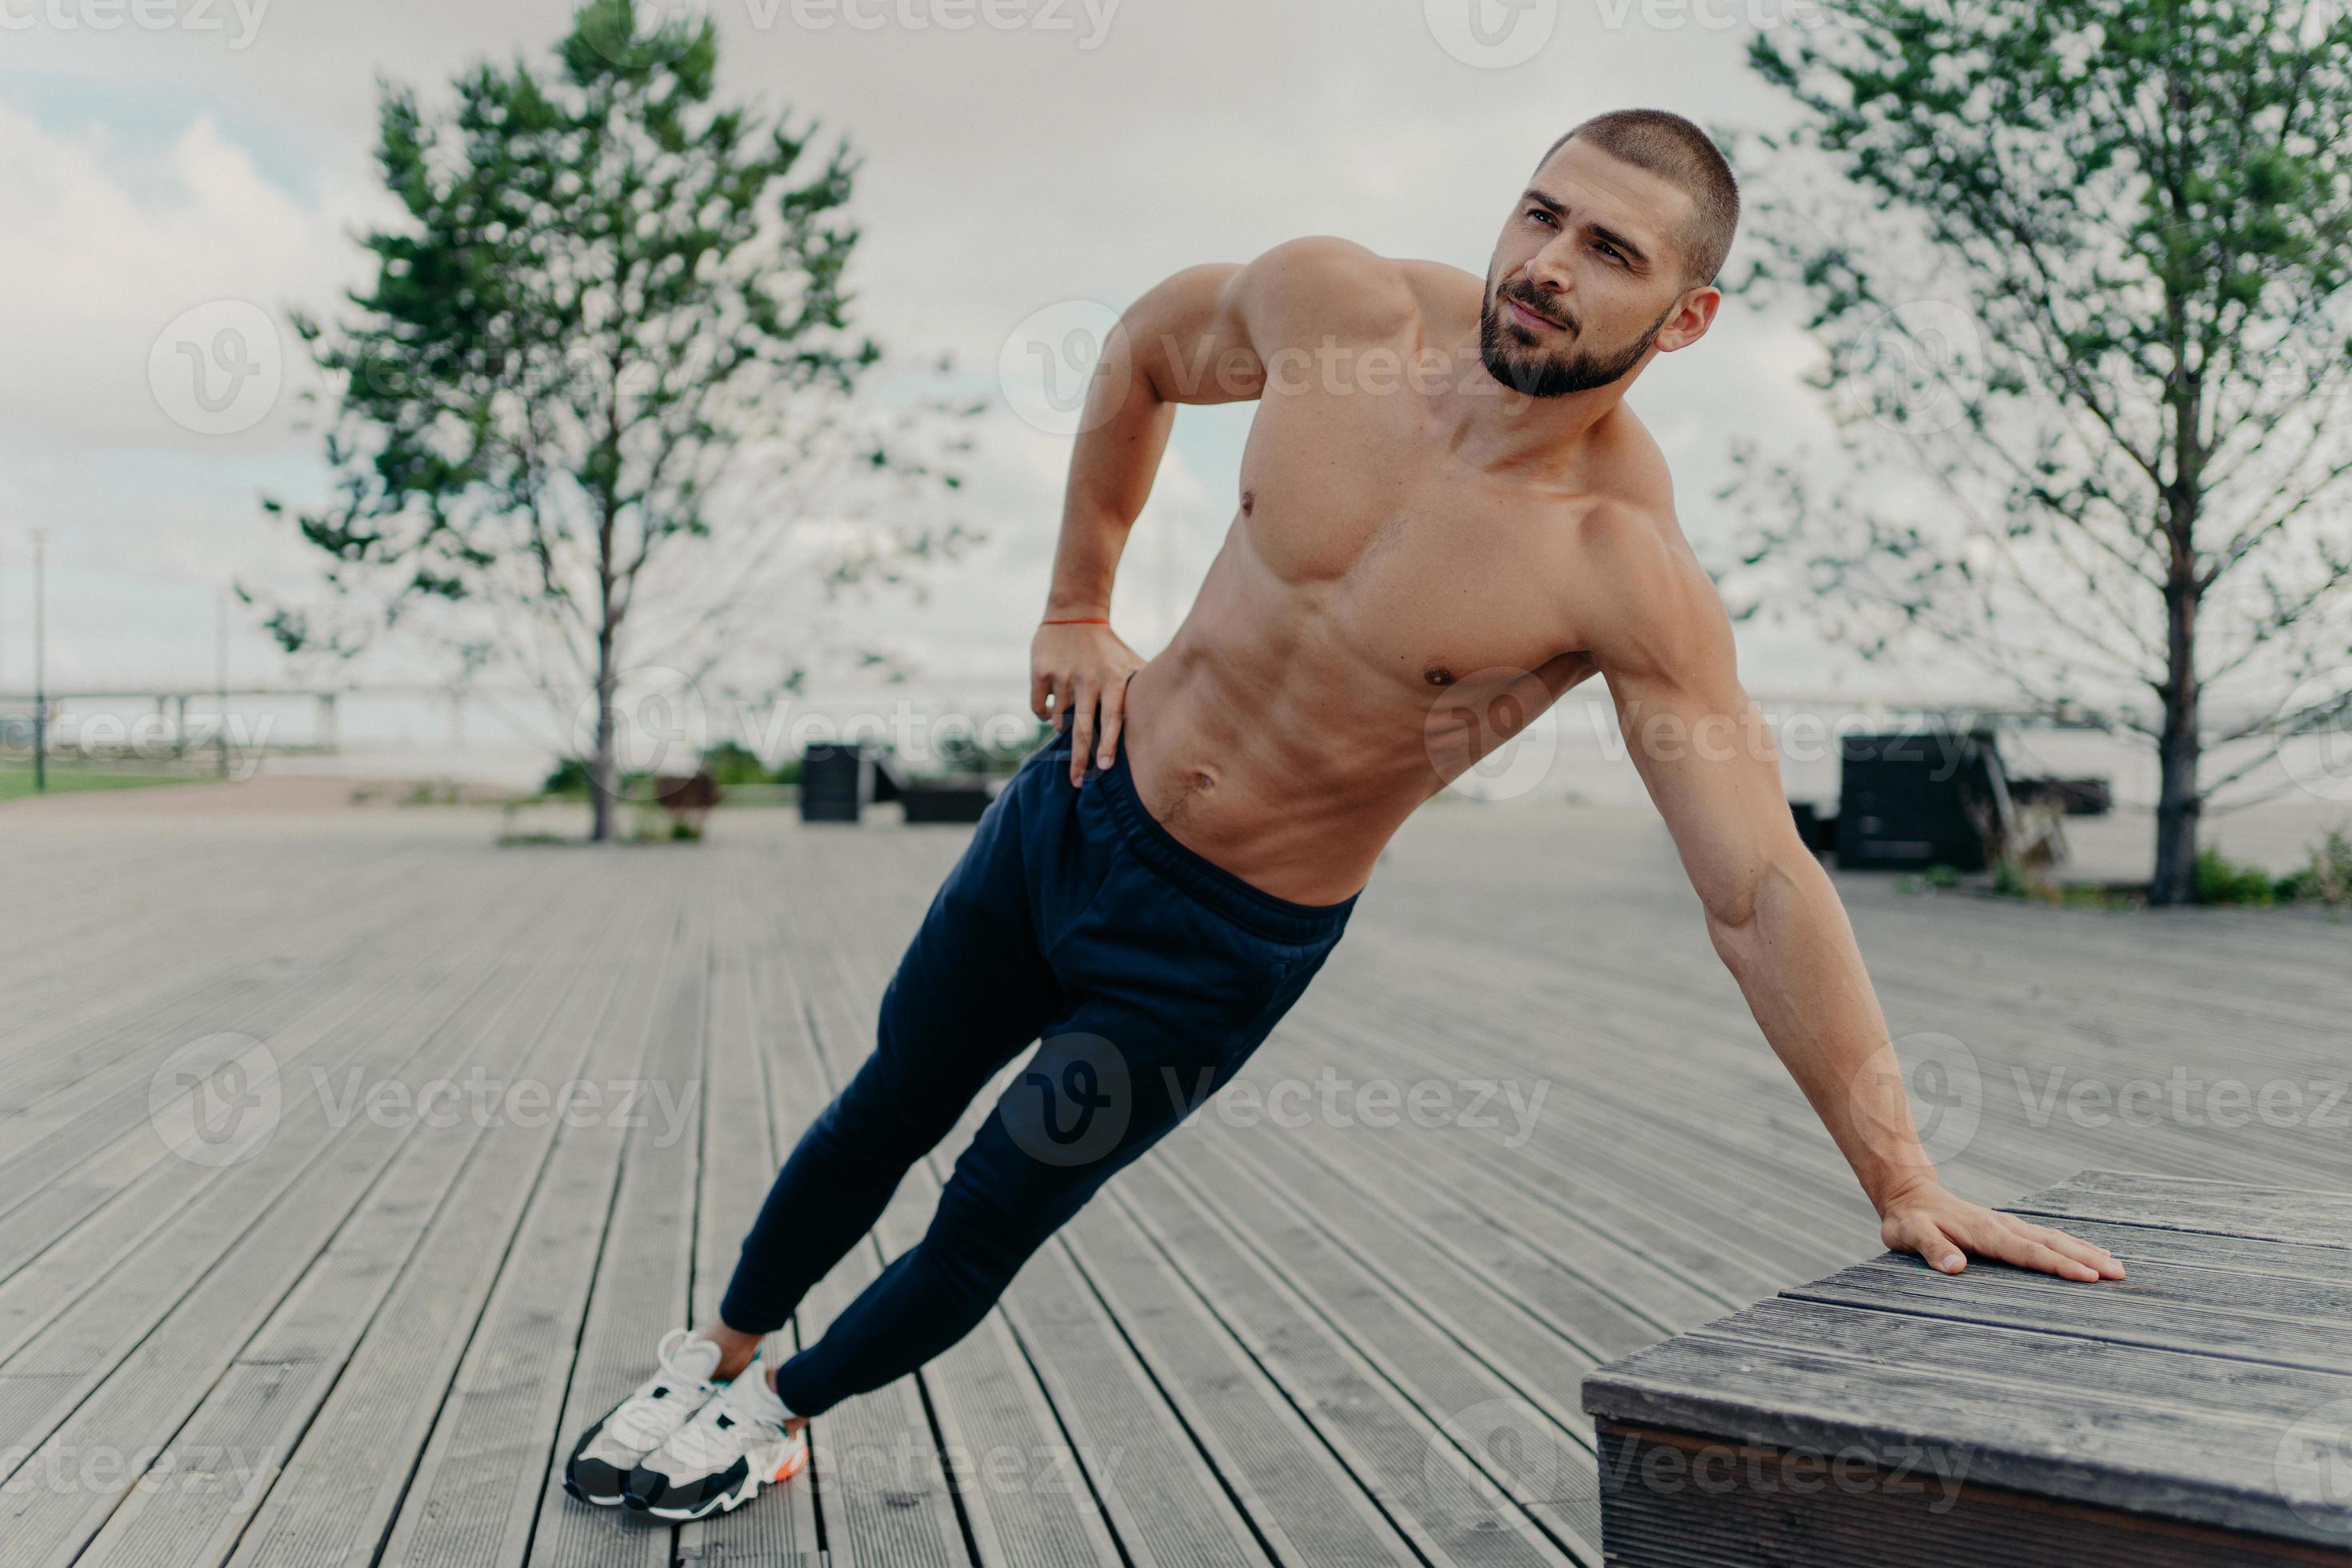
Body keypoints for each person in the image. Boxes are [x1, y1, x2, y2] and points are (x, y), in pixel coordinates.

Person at [566, 108, 2125, 1522]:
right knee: (887, 1099)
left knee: (986, 1211)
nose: (1546, 265)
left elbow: (1758, 884)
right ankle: (706, 1350)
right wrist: (1072, 604)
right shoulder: (1338, 308)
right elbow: (1144, 351)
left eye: (1608, 252)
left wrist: (1902, 1174)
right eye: (1540, 215)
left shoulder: (1619, 568)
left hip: (1215, 945)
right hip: (1074, 805)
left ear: (1686, 313)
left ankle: (773, 1411)